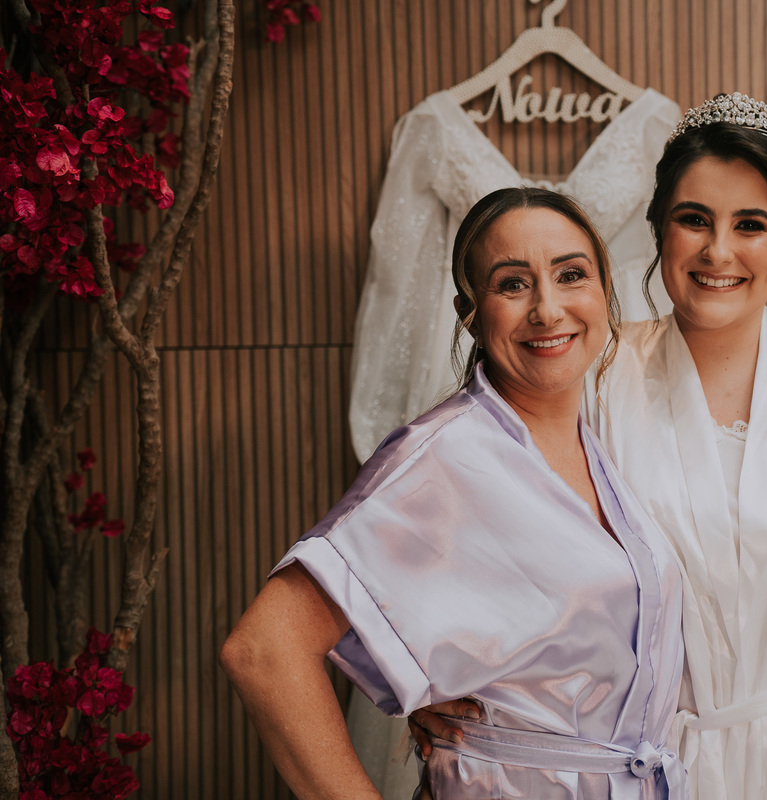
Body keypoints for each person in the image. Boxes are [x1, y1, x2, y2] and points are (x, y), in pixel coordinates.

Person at [412, 93, 767, 800]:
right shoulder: (591, 379)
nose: (719, 251)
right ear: (658, 231)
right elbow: (493, 547)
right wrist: (437, 671)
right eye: (694, 220)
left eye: (751, 225)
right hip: (639, 768)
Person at [221, 187, 687, 799]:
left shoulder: (598, 442)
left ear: (604, 291)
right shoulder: (443, 456)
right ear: (470, 313)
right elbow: (262, 650)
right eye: (512, 285)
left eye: (571, 275)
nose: (548, 309)